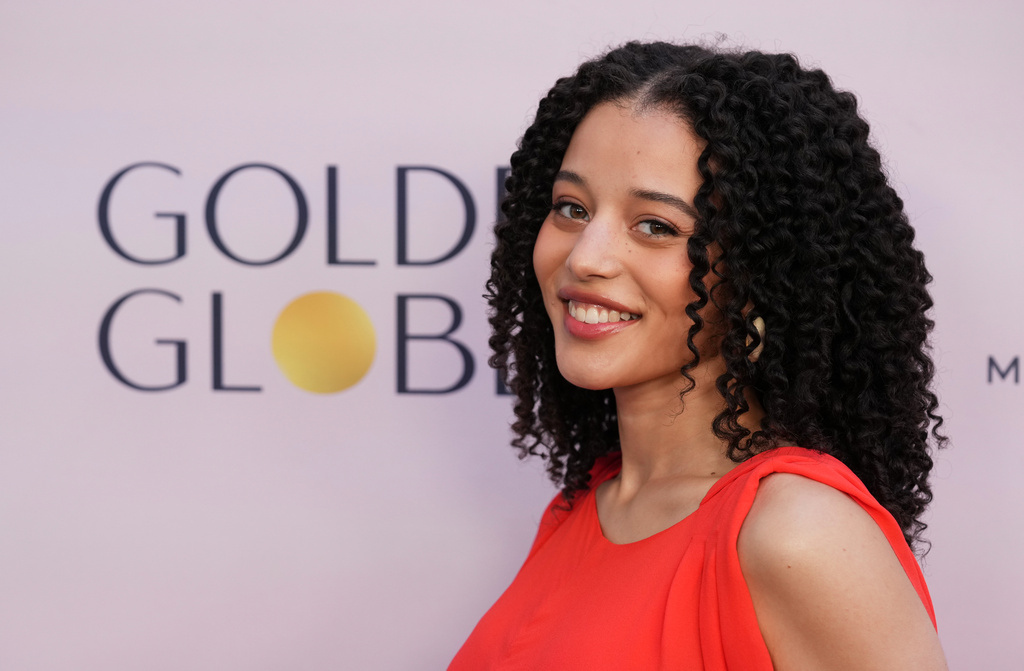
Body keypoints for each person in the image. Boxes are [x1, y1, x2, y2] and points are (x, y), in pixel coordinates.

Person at [450, 41, 948, 670]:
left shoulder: (797, 533)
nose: (585, 258)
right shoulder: (585, 508)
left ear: (762, 275)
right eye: (572, 209)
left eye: (655, 225)